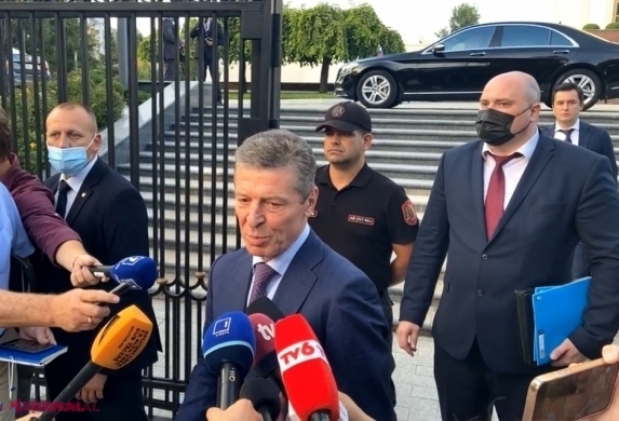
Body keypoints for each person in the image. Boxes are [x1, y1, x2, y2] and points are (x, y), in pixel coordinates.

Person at [396, 71, 619, 421]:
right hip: (458, 344)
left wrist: (590, 335)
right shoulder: (454, 162)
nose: (489, 112)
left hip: (535, 349)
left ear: (534, 112)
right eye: (484, 103)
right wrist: (412, 311)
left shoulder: (582, 169)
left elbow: (611, 256)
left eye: (503, 104)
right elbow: (429, 243)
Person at [175, 129, 394, 421]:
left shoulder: (346, 292)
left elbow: (366, 410)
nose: (252, 219)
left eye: (273, 204)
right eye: (243, 199)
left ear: (310, 201)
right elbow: (209, 367)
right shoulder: (224, 270)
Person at [36, 102, 162, 421]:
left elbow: (130, 287)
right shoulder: (47, 190)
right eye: (54, 135)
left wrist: (103, 366)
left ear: (96, 141)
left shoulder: (119, 196)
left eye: (74, 135)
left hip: (103, 354)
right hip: (60, 346)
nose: (63, 144)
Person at [310, 101, 418, 406]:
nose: (334, 140)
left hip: (363, 309)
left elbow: (407, 258)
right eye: (328, 133)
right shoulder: (306, 185)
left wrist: (372, 283)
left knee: (369, 390)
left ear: (366, 141)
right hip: (308, 305)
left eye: (345, 134)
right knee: (308, 388)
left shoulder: (388, 194)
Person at [542, 82, 617, 279]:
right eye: (560, 103)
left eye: (571, 102)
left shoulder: (598, 136)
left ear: (581, 105)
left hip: (585, 213)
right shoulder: (540, 137)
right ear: (553, 106)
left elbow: (609, 175)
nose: (565, 107)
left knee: (578, 273)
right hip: (550, 213)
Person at [190, 16, 223, 104]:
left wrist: (214, 42)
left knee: (215, 77)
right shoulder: (199, 25)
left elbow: (223, 40)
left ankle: (218, 99)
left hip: (212, 55)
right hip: (201, 55)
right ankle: (201, 98)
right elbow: (191, 34)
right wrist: (199, 26)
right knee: (201, 77)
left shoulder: (216, 25)